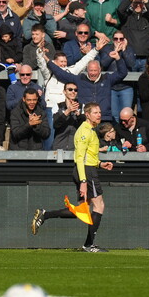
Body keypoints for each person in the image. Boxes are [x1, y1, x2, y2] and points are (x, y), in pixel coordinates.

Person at [31, 102, 115, 252]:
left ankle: (45, 214)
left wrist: (99, 163)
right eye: (95, 112)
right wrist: (83, 181)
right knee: (99, 205)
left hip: (87, 169)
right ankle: (89, 245)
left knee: (83, 210)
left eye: (100, 112)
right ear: (87, 115)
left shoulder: (91, 130)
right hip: (86, 172)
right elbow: (80, 158)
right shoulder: (84, 132)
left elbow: (88, 155)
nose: (99, 115)